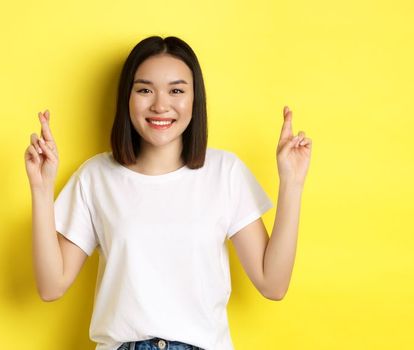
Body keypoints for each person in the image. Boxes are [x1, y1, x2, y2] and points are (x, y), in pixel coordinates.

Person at [24, 36, 312, 350]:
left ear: (194, 99)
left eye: (176, 90)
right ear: (128, 98)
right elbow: (51, 286)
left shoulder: (225, 172)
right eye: (145, 89)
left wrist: (292, 183)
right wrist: (41, 189)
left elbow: (273, 284)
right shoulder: (96, 177)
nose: (160, 105)